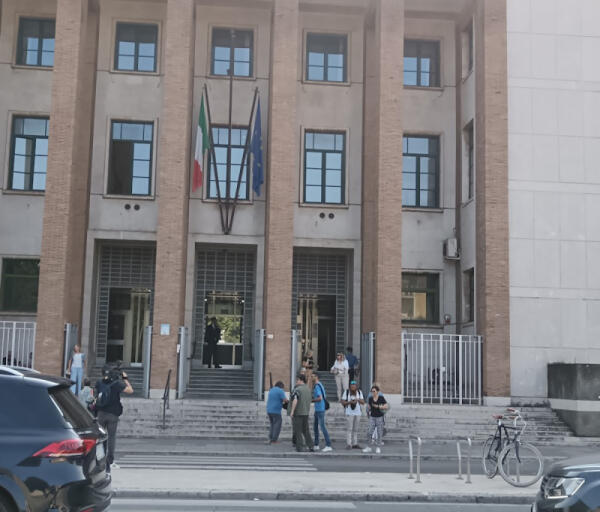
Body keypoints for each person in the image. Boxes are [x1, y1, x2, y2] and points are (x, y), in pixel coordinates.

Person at [95, 365, 133, 472]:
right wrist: (125, 379)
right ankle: (110, 461)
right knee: (111, 437)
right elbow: (130, 390)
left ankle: (99, 459)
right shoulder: (117, 383)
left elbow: (96, 395)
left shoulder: (99, 382)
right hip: (113, 414)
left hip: (101, 413)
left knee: (101, 437)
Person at [289, 374, 314, 452]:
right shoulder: (308, 389)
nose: (296, 381)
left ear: (300, 380)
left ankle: (299, 447)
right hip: (305, 412)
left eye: (297, 380)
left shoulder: (297, 390)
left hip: (298, 412)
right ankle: (310, 446)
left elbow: (295, 400)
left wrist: (292, 411)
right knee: (306, 430)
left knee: (298, 430)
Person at [363, 385, 388, 454]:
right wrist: (367, 412)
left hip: (379, 417)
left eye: (374, 391)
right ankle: (368, 447)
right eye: (371, 391)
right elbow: (368, 407)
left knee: (379, 433)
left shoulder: (381, 398)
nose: (372, 393)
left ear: (377, 392)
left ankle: (378, 447)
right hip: (372, 417)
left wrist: (378, 406)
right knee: (369, 432)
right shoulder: (370, 398)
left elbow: (386, 406)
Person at [341, 380, 365, 450]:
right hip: (349, 413)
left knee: (356, 429)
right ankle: (349, 444)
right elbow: (342, 402)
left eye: (354, 386)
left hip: (358, 413)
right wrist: (350, 402)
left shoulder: (359, 392)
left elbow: (363, 402)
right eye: (352, 386)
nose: (353, 387)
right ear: (350, 386)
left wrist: (357, 400)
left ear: (356, 386)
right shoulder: (346, 392)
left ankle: (355, 443)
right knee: (349, 429)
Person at [312, 374, 332, 452]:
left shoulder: (317, 386)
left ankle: (328, 445)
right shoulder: (320, 385)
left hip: (320, 409)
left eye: (313, 376)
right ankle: (316, 444)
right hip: (319, 409)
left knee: (322, 427)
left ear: (317, 377)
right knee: (315, 427)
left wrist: (312, 400)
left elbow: (320, 398)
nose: (312, 377)